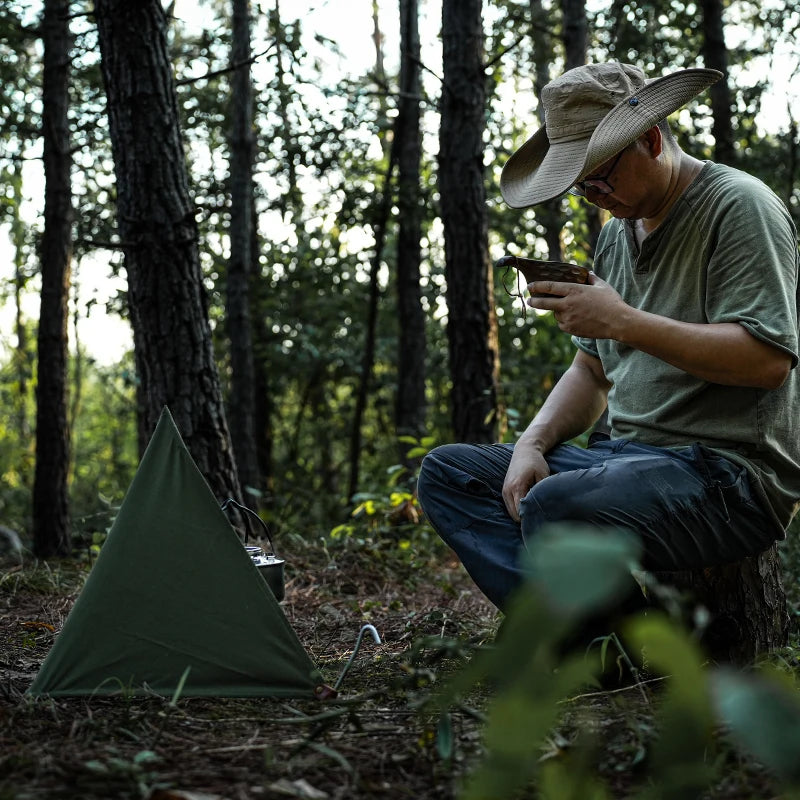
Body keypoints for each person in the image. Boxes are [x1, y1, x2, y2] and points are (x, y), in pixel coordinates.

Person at [417, 62, 800, 611]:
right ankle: (600, 640)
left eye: (599, 176)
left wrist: (621, 320)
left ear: (649, 140)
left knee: (555, 506)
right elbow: (590, 371)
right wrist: (531, 443)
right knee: (452, 474)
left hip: (728, 477)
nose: (592, 194)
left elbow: (765, 362)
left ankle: (600, 645)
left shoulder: (739, 206)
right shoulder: (618, 235)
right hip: (624, 461)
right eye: (579, 185)